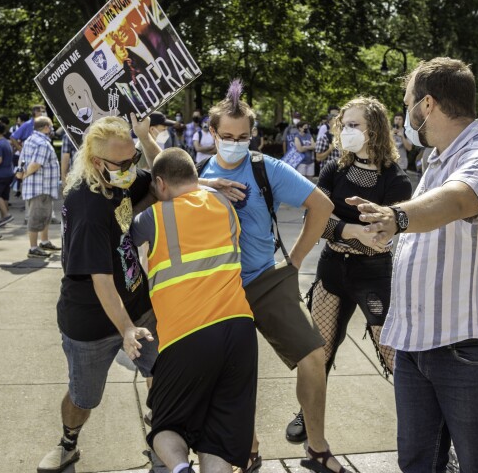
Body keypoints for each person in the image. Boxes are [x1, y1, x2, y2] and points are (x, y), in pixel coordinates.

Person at [350, 58, 478, 471]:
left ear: (427, 105)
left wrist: (396, 218)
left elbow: (458, 200)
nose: (405, 116)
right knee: (418, 462)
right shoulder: (436, 162)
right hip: (417, 346)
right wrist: (397, 327)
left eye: (408, 103)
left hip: (470, 351)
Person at [198, 80, 341, 473]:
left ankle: (316, 446)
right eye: (226, 136)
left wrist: (294, 261)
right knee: (229, 376)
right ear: (211, 134)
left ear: (252, 134)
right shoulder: (196, 173)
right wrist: (206, 184)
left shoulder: (266, 168)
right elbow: (159, 183)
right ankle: (248, 447)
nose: (235, 142)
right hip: (218, 288)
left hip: (264, 279)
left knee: (313, 356)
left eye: (243, 136)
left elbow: (322, 205)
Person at [37, 114, 161, 473]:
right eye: (122, 163)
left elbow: (159, 181)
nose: (130, 169)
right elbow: (101, 281)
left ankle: (164, 434)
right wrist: (125, 330)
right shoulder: (87, 204)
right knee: (83, 398)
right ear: (95, 162)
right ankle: (68, 442)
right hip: (92, 322)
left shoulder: (118, 175)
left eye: (133, 159)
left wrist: (144, 140)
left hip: (139, 307)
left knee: (163, 375)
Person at [286, 97, 412, 442]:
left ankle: (423, 422)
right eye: (344, 125)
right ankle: (306, 414)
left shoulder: (395, 180)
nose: (346, 131)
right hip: (331, 271)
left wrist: (339, 226)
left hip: (373, 274)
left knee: (393, 355)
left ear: (375, 130)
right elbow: (313, 218)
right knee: (318, 351)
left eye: (354, 125)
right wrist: (353, 230)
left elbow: (381, 238)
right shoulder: (336, 169)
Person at [131, 148, 257, 473]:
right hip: (240, 330)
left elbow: (124, 236)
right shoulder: (224, 204)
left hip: (187, 336)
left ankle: (179, 469)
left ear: (159, 184)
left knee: (165, 426)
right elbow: (198, 189)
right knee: (217, 438)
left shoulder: (152, 218)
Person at [18, 116, 61, 258]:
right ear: (46, 127)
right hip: (41, 187)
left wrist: (23, 175)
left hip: (39, 187)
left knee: (44, 216)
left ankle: (44, 241)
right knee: (36, 217)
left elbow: (22, 162)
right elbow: (36, 164)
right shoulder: (42, 143)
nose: (52, 129)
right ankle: (33, 248)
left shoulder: (30, 140)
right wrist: (25, 175)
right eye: (51, 126)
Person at [0, 121, 15, 227]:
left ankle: (6, 215)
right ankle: (3, 220)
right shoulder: (7, 142)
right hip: (9, 172)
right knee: (4, 197)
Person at [392, 113, 416, 190]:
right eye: (396, 119)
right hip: (391, 163)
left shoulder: (406, 133)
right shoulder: (389, 132)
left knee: (401, 186)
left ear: (403, 121)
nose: (397, 121)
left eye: (400, 119)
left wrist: (402, 136)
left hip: (402, 164)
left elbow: (409, 148)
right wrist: (391, 135)